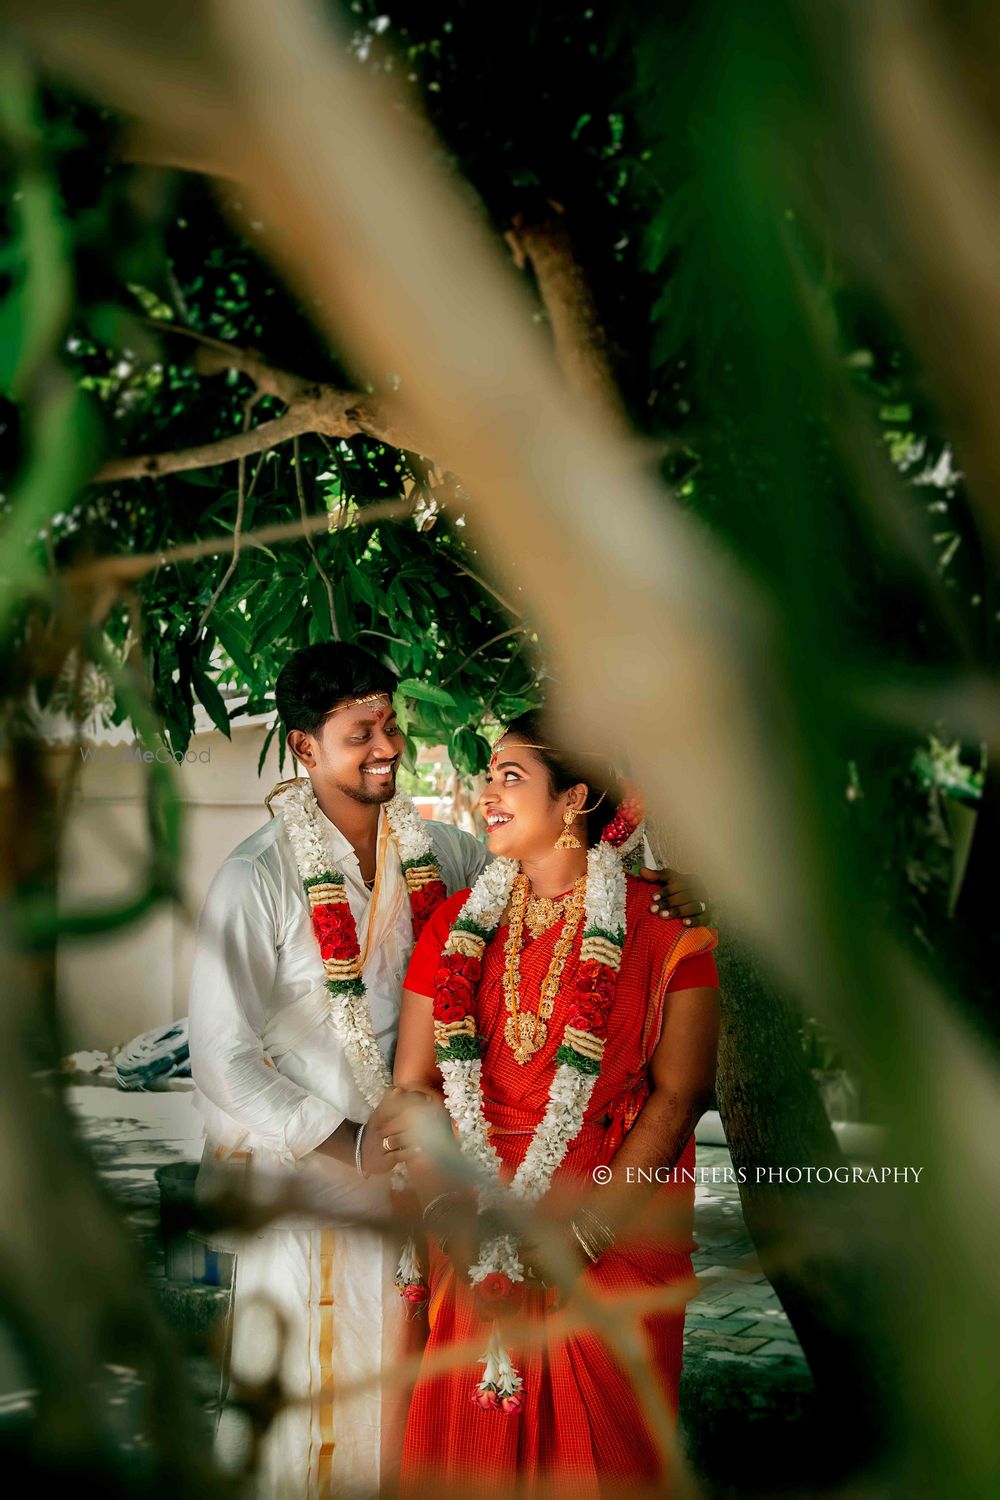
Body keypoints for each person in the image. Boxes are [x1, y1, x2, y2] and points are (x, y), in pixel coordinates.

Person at [187, 647, 706, 1500]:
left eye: (391, 723)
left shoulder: (443, 854)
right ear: (306, 749)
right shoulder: (257, 879)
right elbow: (223, 1058)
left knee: (414, 1410)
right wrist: (354, 1147)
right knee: (317, 1407)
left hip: (435, 1203)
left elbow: (553, 876)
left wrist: (671, 892)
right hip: (321, 1186)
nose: (387, 745)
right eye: (361, 733)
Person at [391, 714, 720, 1498]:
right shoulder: (454, 924)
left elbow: (680, 1096)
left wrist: (588, 1231)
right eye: (488, 774)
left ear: (573, 798)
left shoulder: (663, 928)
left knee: (601, 1464)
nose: (487, 792)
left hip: (609, 1234)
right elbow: (414, 1086)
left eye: (511, 776)